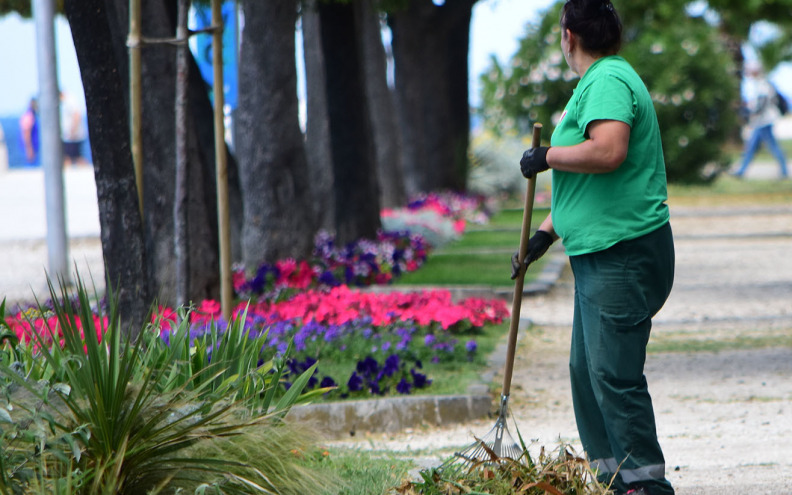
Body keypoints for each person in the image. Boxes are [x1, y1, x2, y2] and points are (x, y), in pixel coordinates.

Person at [511, 0, 675, 493]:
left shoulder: (606, 81)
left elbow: (607, 151)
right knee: (587, 372)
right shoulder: (602, 80)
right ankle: (613, 479)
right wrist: (545, 233)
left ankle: (645, 485)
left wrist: (546, 155)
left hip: (621, 253)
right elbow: (590, 189)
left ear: (569, 37)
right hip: (601, 249)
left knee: (613, 374)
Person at [732, 62, 788, 179]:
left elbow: (762, 104)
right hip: (759, 122)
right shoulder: (758, 84)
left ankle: (784, 170)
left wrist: (751, 113)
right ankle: (741, 171)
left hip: (764, 122)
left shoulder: (763, 84)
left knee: (772, 146)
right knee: (751, 146)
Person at [60, 91, 89, 167]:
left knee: (72, 158)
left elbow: (77, 115)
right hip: (69, 136)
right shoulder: (65, 102)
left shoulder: (70, 100)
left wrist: (73, 130)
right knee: (71, 157)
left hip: (73, 136)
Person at [19, 97, 39, 165]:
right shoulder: (29, 116)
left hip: (33, 149)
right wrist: (29, 150)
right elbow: (26, 133)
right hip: (30, 150)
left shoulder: (32, 115)